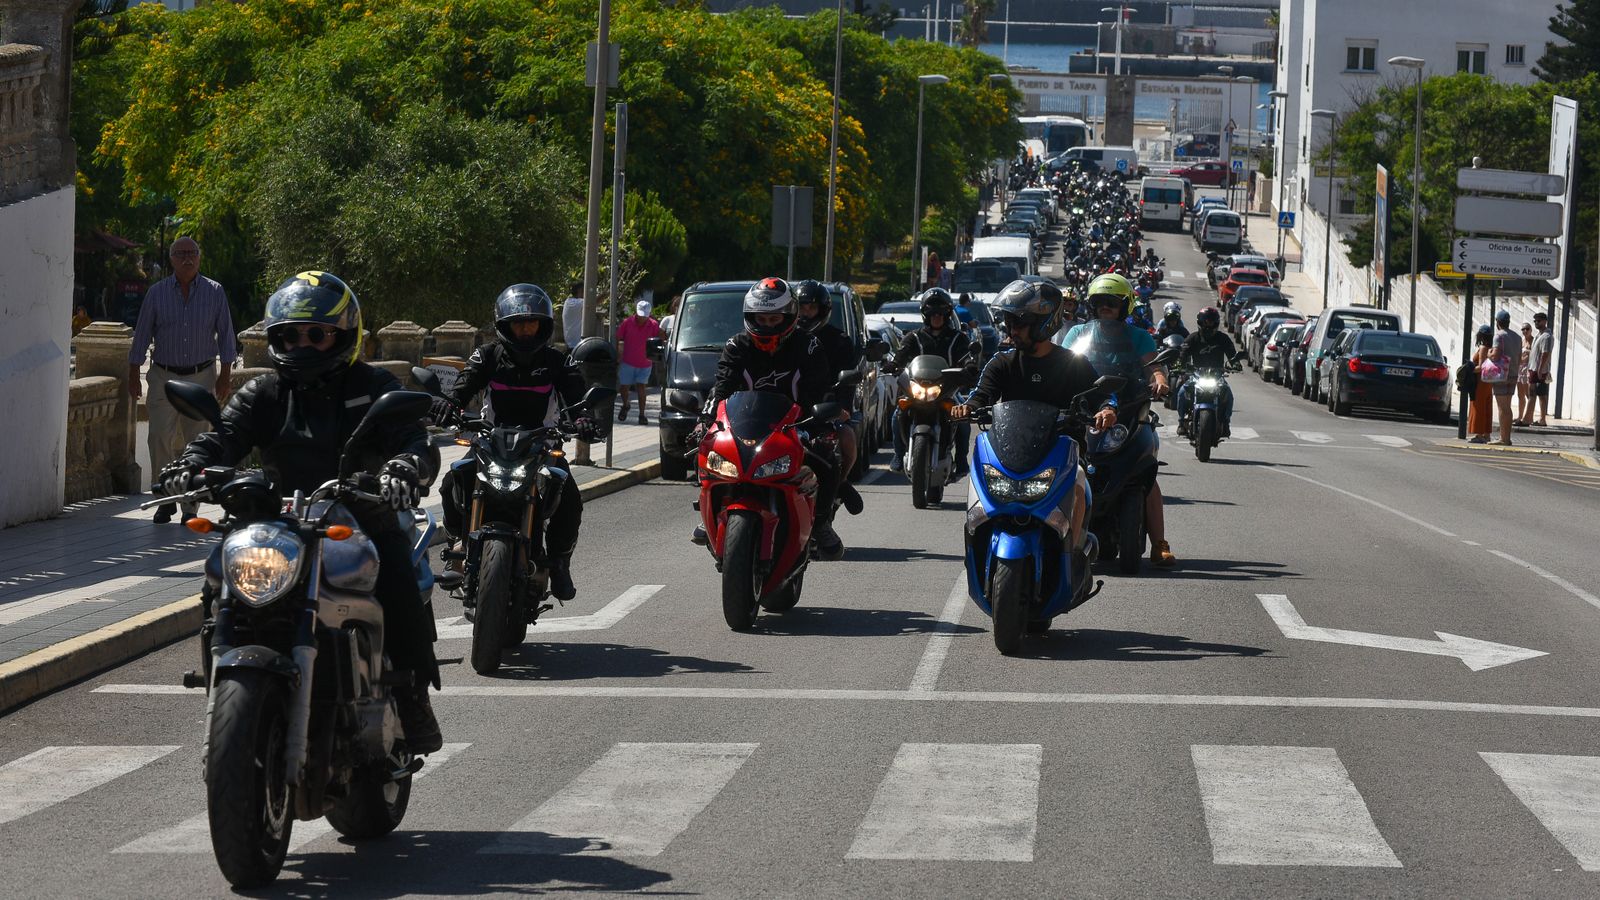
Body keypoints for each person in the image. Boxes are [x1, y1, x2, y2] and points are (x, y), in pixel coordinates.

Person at [157, 271, 442, 753]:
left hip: (357, 514)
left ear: (345, 334)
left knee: (393, 565)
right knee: (217, 573)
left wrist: (404, 467)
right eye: (291, 334)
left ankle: (412, 692)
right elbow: (222, 436)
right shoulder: (265, 392)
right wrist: (191, 464)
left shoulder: (373, 387)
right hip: (277, 518)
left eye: (317, 333)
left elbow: (413, 439)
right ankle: (225, 676)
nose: (303, 343)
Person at [443, 284, 597, 602]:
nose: (526, 329)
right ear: (505, 325)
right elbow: (464, 383)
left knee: (568, 496)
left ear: (543, 325)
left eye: (532, 323)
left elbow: (577, 398)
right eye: (518, 322)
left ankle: (558, 562)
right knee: (454, 477)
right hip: (490, 440)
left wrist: (583, 418)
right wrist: (448, 404)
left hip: (541, 445)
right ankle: (458, 542)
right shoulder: (487, 355)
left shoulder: (557, 361)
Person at [950, 279, 1117, 561]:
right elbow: (982, 395)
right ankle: (977, 543)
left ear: (1044, 323)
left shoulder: (1073, 363)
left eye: (1020, 323)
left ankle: (1073, 552)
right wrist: (967, 407)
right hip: (1012, 452)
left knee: (1079, 480)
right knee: (980, 474)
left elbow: (1103, 394)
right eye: (1010, 322)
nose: (1012, 330)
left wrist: (1107, 409)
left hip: (1063, 453)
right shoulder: (1002, 362)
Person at [697, 277, 844, 558]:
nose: (767, 325)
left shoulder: (808, 346)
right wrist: (705, 420)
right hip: (744, 426)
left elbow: (819, 389)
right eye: (760, 318)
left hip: (795, 425)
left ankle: (822, 522)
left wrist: (820, 420)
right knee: (706, 455)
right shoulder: (736, 345)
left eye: (774, 318)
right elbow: (722, 386)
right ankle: (707, 512)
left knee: (828, 459)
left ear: (788, 317)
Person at [1058, 273, 1176, 568]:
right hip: (1085, 409)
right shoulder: (1077, 334)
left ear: (1125, 307)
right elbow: (1064, 365)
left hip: (1129, 408)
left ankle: (1159, 542)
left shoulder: (1139, 336)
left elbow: (1153, 366)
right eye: (1100, 302)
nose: (1106, 308)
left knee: (1146, 472)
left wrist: (1159, 380)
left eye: (1112, 302)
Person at [128, 236, 237, 524]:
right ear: (172, 260)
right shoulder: (157, 293)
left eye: (192, 253)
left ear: (199, 258)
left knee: (197, 440)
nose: (187, 258)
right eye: (181, 254)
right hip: (163, 374)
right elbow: (142, 334)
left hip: (201, 375)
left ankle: (191, 506)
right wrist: (133, 373)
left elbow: (227, 336)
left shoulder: (215, 292)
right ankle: (165, 500)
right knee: (159, 437)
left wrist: (225, 376)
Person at [884, 288, 979, 476]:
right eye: (932, 313)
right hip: (918, 387)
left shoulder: (958, 338)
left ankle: (961, 461)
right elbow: (901, 356)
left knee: (962, 419)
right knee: (898, 413)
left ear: (947, 314)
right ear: (925, 314)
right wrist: (893, 364)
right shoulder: (914, 337)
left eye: (941, 313)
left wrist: (970, 366)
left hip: (948, 388)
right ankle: (898, 454)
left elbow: (967, 355)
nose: (936, 317)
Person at [792, 280, 861, 485]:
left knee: (847, 437)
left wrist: (841, 409)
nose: (805, 313)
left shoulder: (839, 340)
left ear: (822, 310)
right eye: (801, 308)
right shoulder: (785, 337)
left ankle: (841, 484)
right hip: (788, 409)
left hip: (823, 408)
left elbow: (847, 381)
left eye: (811, 308)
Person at [1173, 307, 1239, 437]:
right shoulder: (1192, 338)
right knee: (1181, 392)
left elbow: (1232, 354)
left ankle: (1226, 422)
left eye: (1211, 323)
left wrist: (1235, 363)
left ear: (1216, 323)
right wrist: (1179, 364)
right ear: (1200, 322)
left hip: (1217, 376)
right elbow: (1182, 354)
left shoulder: (1223, 338)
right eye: (1206, 322)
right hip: (1196, 376)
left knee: (1229, 395)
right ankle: (1181, 422)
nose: (1208, 326)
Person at [616, 299, 661, 425]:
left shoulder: (653, 324)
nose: (642, 318)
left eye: (644, 316)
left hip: (645, 362)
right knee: (624, 388)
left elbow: (659, 338)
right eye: (640, 315)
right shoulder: (627, 323)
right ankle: (626, 405)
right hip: (628, 361)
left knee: (641, 387)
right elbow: (618, 336)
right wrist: (617, 354)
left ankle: (642, 414)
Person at [1490, 309, 1522, 446]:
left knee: (1502, 408)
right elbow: (1520, 357)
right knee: (1507, 407)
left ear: (1497, 322)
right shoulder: (1518, 337)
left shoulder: (1499, 336)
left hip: (1501, 376)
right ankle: (1507, 437)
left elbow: (1495, 355)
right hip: (1513, 374)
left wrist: (1488, 354)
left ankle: (1504, 438)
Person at [1519, 311, 1553, 427]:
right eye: (1535, 321)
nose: (1536, 323)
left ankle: (1534, 419)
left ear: (1545, 321)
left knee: (1541, 394)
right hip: (1533, 368)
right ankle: (1529, 418)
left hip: (1540, 370)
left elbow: (1545, 353)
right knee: (1533, 394)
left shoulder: (1546, 336)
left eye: (1539, 321)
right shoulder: (1539, 335)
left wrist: (1540, 369)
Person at [1467, 324, 1494, 443]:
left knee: (1478, 407)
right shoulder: (1491, 348)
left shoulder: (1483, 348)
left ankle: (1479, 434)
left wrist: (1469, 369)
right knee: (1486, 407)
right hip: (1488, 382)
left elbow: (1482, 366)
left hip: (1480, 381)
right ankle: (1486, 434)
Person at [561, 280, 585, 350]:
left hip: (571, 344)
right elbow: (593, 302)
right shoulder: (577, 303)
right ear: (581, 290)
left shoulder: (568, 302)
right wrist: (607, 294)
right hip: (576, 346)